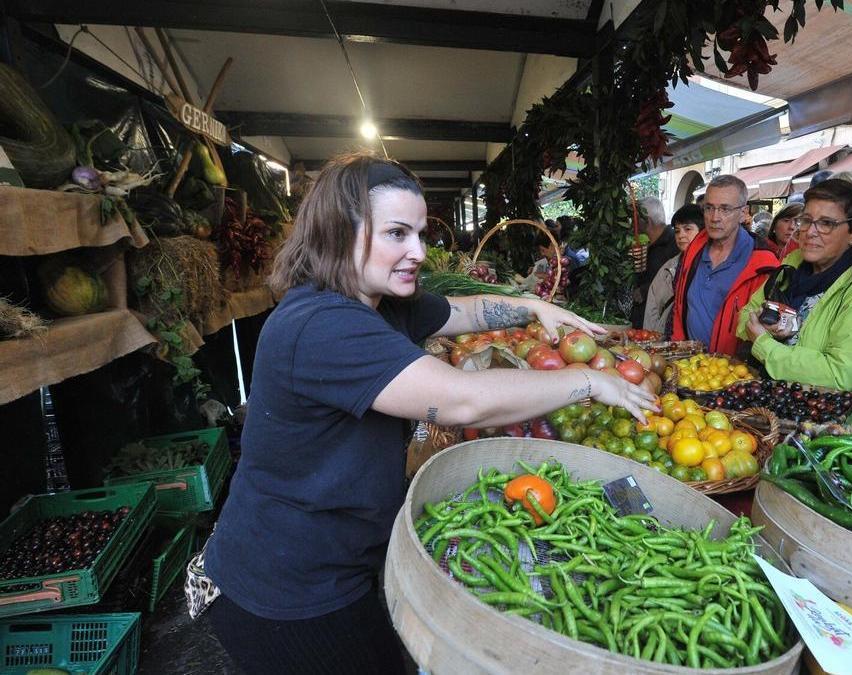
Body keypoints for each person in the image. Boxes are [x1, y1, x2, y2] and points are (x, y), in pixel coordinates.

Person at [202, 154, 656, 675]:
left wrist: (533, 308)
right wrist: (588, 381)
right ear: (338, 231)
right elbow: (464, 399)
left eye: (419, 233)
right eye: (397, 233)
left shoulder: (382, 302)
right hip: (288, 586)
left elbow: (465, 311)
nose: (416, 251)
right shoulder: (321, 324)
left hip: (335, 563)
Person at [736, 179, 852, 423]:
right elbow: (745, 315)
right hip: (771, 412)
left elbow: (840, 373)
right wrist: (767, 326)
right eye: (807, 220)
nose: (810, 232)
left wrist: (763, 344)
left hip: (824, 428)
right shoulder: (793, 262)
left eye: (826, 224)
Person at [671, 175, 779, 355]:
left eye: (725, 209)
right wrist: (677, 348)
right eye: (709, 208)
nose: (715, 217)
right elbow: (680, 306)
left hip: (731, 375)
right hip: (688, 366)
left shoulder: (764, 265)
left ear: (743, 213)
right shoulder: (694, 249)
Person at [643, 205, 703, 334]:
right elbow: (652, 308)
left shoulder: (709, 266)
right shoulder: (669, 267)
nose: (681, 235)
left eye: (687, 229)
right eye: (677, 231)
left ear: (703, 232)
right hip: (666, 341)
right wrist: (650, 338)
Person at [632, 197, 675, 328]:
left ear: (647, 221)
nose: (633, 224)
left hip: (659, 324)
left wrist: (645, 290)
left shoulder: (674, 244)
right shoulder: (645, 243)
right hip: (642, 321)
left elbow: (675, 281)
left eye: (636, 219)